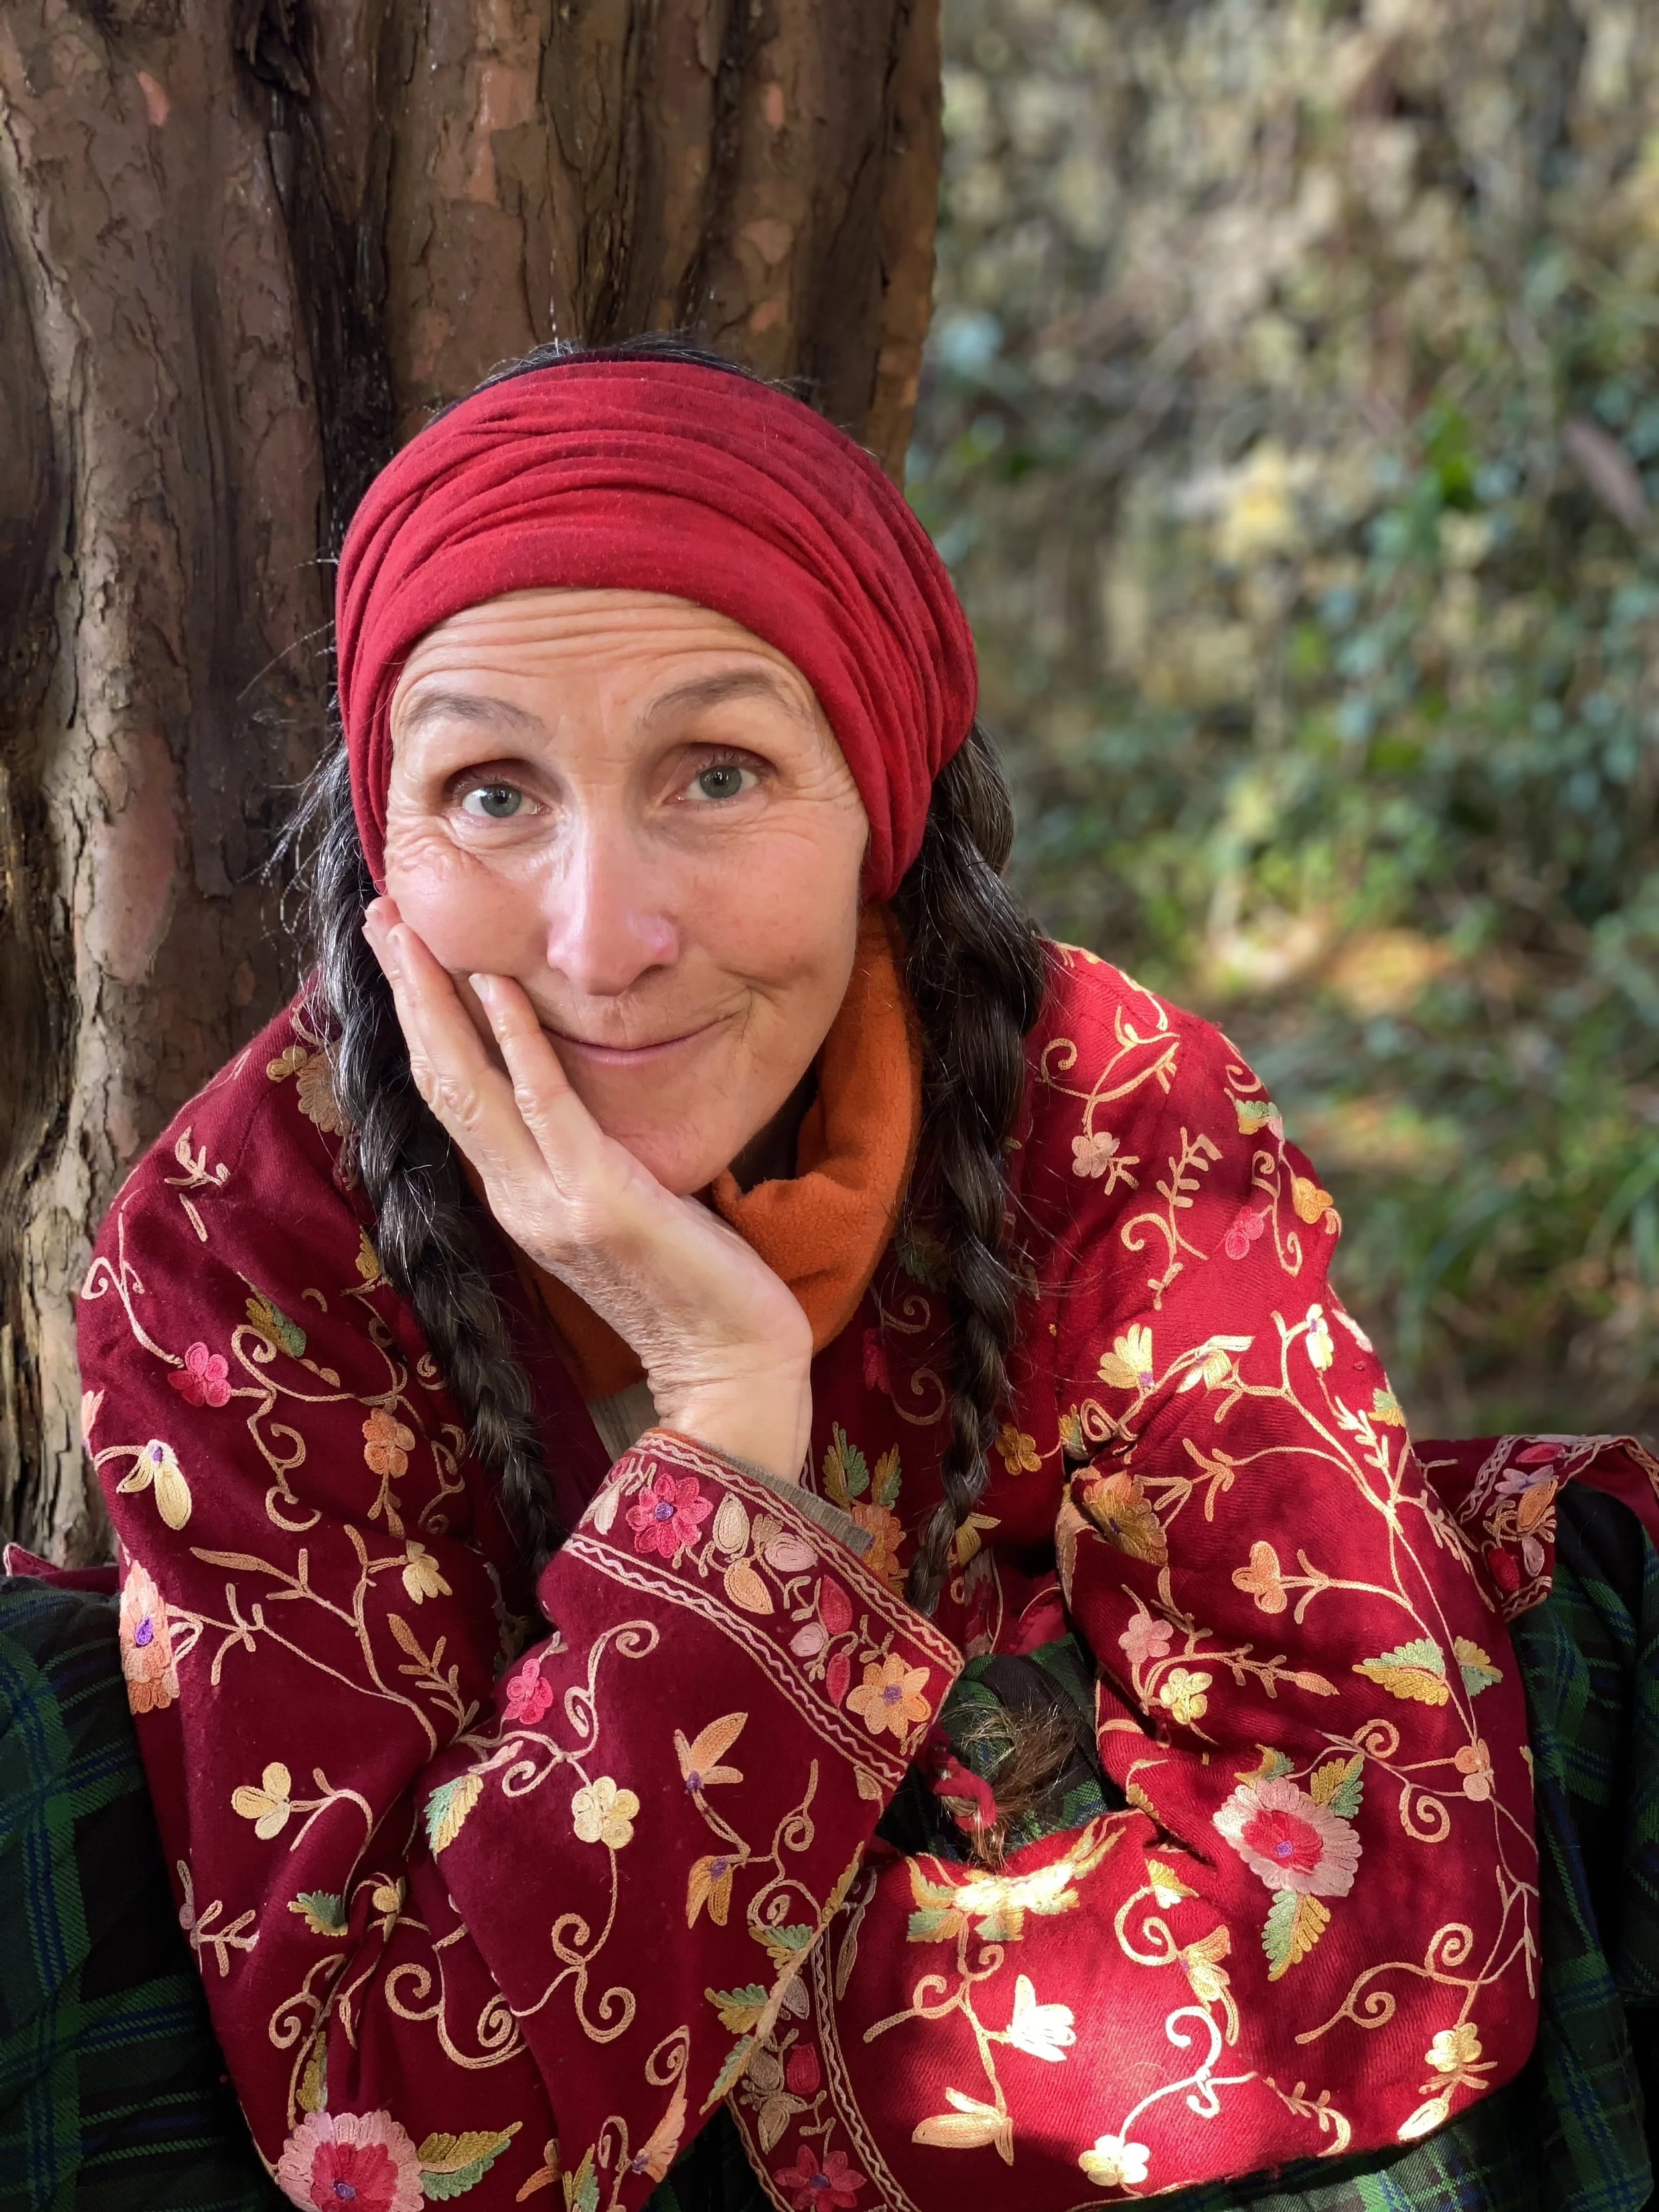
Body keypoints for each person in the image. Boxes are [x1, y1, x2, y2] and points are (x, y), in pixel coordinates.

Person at [64, 341, 1646, 2212]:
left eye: (716, 771)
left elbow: (1393, 1943)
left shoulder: (1104, 1119)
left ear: (881, 807)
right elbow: (402, 2129)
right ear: (378, 849)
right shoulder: (235, 1248)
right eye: (491, 791)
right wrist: (730, 1421)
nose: (604, 937)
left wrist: (690, 2044)